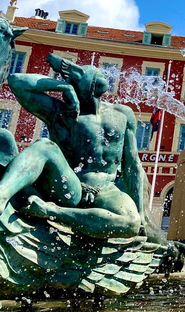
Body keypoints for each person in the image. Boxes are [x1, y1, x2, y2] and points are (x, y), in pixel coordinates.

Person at [0, 54, 144, 239]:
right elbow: (16, 81)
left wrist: (141, 213)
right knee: (45, 145)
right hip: (71, 186)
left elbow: (132, 165)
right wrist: (61, 86)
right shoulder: (62, 112)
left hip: (107, 191)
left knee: (131, 222)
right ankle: (2, 195)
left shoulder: (123, 114)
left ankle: (51, 211)